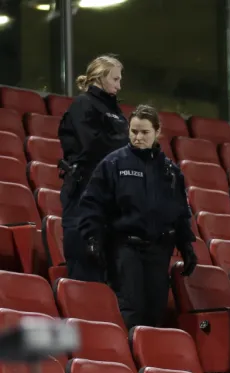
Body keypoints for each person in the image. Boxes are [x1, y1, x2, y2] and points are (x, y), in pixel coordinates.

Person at [77, 105, 197, 331]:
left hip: (159, 250)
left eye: (144, 132)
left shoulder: (170, 171)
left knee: (155, 309)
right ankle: (130, 361)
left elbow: (180, 211)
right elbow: (92, 204)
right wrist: (92, 238)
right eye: (133, 131)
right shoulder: (113, 164)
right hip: (125, 247)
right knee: (131, 308)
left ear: (157, 132)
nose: (138, 137)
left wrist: (186, 246)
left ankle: (148, 361)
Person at [58, 55, 129, 282]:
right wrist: (124, 142)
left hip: (109, 197)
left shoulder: (116, 111)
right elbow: (93, 144)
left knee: (108, 270)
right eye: (115, 79)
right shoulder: (83, 104)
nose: (119, 85)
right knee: (85, 267)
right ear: (100, 77)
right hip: (83, 193)